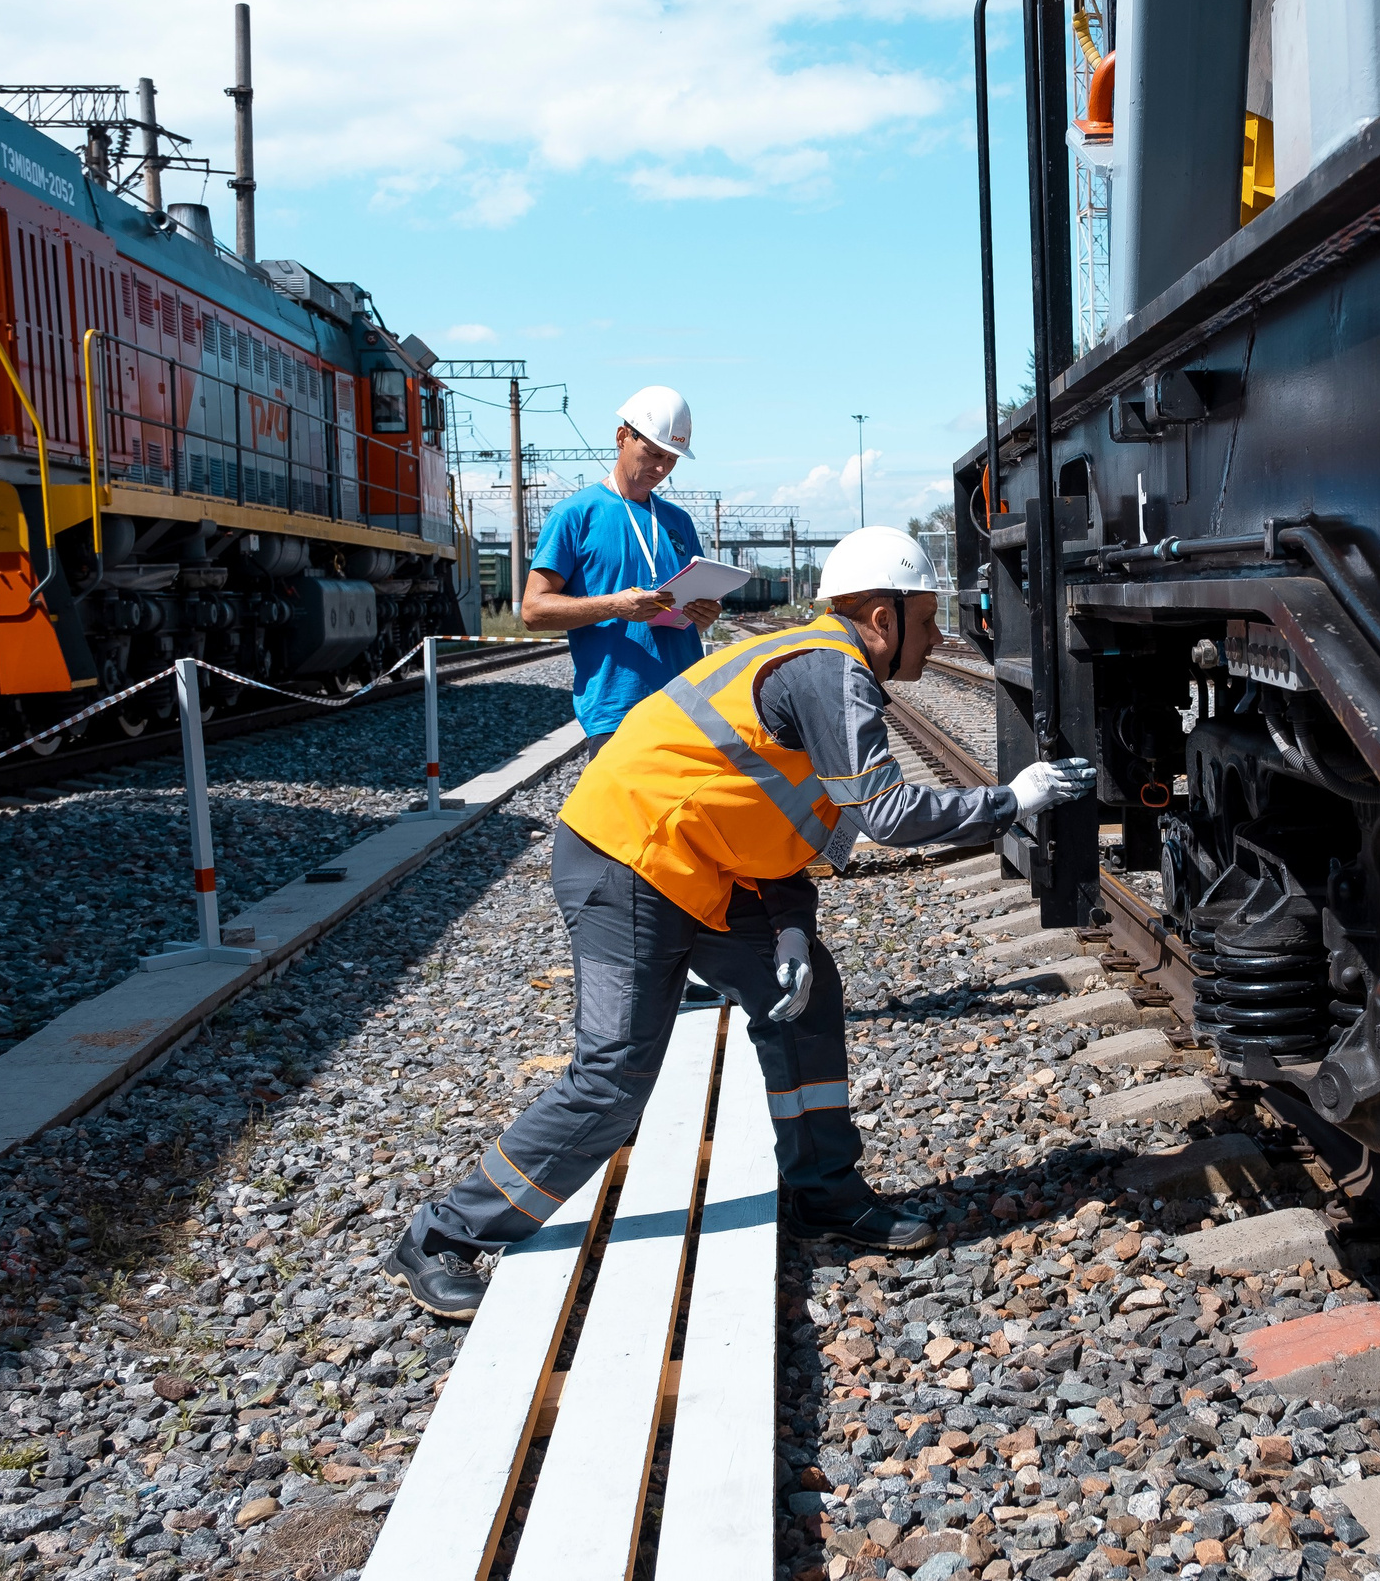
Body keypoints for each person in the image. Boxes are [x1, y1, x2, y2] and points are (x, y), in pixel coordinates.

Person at [386, 526, 1096, 1319]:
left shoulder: (824, 669)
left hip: (699, 865)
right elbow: (889, 814)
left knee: (805, 990)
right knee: (616, 1073)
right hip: (627, 855)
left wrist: (791, 927)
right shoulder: (830, 672)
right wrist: (1013, 798)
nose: (938, 638)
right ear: (881, 617)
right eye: (928, 620)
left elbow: (780, 815)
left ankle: (823, 1190)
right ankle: (443, 1235)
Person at [521, 384, 724, 744]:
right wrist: (616, 605)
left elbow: (694, 611)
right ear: (622, 437)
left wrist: (704, 614)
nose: (662, 467)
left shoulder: (678, 522)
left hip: (686, 706)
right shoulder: (574, 515)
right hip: (616, 712)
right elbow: (533, 611)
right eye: (653, 453)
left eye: (672, 459)